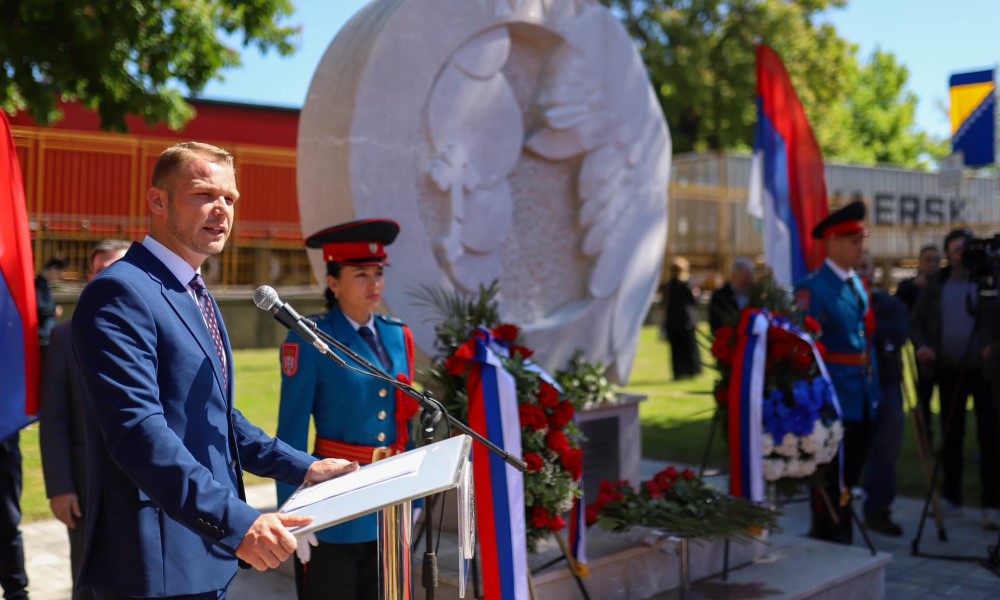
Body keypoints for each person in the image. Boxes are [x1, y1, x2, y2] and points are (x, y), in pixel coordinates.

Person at [71, 141, 360, 599]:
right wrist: (239, 522)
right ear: (158, 201)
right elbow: (139, 433)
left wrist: (307, 467)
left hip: (203, 554)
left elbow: (217, 418)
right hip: (155, 560)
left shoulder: (192, 290)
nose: (221, 209)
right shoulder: (121, 293)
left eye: (230, 198)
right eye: (204, 195)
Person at [276, 219, 419, 600]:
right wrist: (292, 510)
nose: (374, 284)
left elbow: (405, 421)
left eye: (378, 273)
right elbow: (290, 432)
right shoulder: (310, 339)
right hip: (334, 504)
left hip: (391, 501)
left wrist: (418, 497)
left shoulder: (398, 334)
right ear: (333, 283)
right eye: (361, 275)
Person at [39, 239, 130, 600]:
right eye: (99, 270)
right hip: (86, 487)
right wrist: (60, 487)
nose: (107, 277)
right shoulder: (64, 337)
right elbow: (54, 418)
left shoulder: (157, 330)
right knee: (88, 582)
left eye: (116, 268)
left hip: (149, 487)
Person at [795, 201, 879, 544]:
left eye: (861, 241)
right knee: (830, 475)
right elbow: (805, 350)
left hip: (861, 394)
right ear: (832, 242)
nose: (861, 248)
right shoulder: (813, 288)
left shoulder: (857, 284)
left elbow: (865, 339)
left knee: (852, 471)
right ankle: (830, 534)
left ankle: (839, 529)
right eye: (854, 241)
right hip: (833, 397)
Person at [911, 228, 999, 530]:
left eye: (965, 248)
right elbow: (916, 322)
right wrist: (923, 346)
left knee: (990, 437)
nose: (961, 254)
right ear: (947, 253)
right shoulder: (937, 283)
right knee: (951, 435)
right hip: (949, 370)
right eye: (955, 249)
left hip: (984, 373)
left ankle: (991, 504)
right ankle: (951, 497)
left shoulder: (989, 281)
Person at [857, 251, 909, 537]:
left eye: (865, 266)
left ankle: (878, 510)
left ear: (874, 271)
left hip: (886, 384)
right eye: (856, 267)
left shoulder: (889, 304)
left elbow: (898, 334)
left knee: (886, 447)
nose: (861, 271)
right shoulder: (842, 304)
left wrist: (870, 332)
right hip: (852, 386)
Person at [896, 244, 941, 446]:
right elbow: (898, 306)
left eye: (936, 260)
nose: (932, 264)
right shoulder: (909, 286)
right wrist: (913, 287)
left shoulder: (943, 284)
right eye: (928, 260)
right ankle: (925, 436)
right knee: (924, 393)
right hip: (920, 346)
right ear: (920, 262)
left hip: (943, 347)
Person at [660, 258, 702, 379]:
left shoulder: (669, 286)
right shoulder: (687, 285)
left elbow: (664, 303)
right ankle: (693, 370)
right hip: (686, 321)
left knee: (676, 350)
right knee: (690, 348)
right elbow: (694, 301)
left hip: (672, 322)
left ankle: (678, 372)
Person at [707, 257, 754, 334]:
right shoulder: (720, 297)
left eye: (750, 277)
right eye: (745, 277)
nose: (748, 280)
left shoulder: (753, 295)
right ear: (734, 275)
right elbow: (715, 323)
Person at [36, 256, 67, 359]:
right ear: (53, 270)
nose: (57, 278)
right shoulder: (39, 285)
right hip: (43, 335)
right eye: (58, 274)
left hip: (47, 334)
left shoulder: (44, 284)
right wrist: (54, 309)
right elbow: (40, 307)